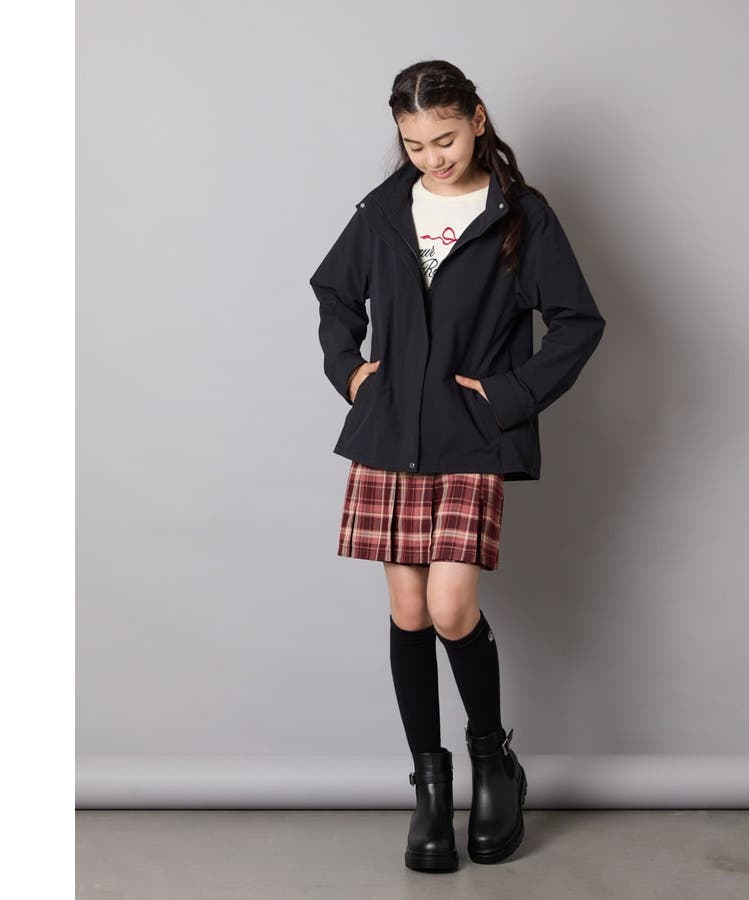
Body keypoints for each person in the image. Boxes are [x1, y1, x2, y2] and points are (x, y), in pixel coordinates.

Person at [309, 60, 606, 872]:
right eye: (414, 145)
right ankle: (430, 789)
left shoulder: (522, 215)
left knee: (449, 607)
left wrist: (509, 396)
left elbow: (578, 321)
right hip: (389, 433)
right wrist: (351, 371)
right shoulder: (383, 211)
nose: (433, 158)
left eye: (445, 138)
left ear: (477, 118)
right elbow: (335, 294)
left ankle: (492, 761)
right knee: (409, 612)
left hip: (470, 435)